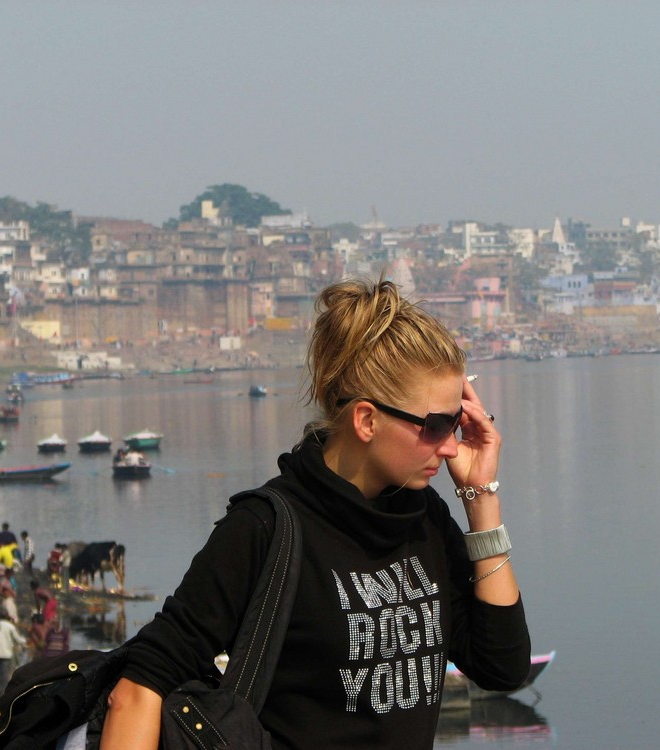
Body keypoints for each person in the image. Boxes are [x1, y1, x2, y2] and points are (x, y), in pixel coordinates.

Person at [100, 276, 531, 750]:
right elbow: (140, 688)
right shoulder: (265, 527)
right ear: (366, 420)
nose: (451, 446)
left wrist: (480, 498)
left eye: (457, 422)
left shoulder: (422, 518)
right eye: (436, 425)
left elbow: (501, 666)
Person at [0, 610, 25, 695]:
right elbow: (17, 639)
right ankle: (2, 692)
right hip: (6, 654)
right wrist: (24, 641)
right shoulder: (10, 626)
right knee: (4, 674)